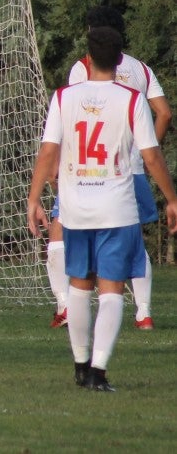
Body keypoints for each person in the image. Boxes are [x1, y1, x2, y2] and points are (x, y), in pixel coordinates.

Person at [27, 26, 177, 391]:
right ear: (120, 58)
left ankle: (80, 365)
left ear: (88, 58)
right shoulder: (131, 99)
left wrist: (33, 199)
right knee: (111, 288)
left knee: (79, 284)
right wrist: (172, 198)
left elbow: (48, 151)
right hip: (116, 207)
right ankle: (98, 371)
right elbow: (151, 155)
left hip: (76, 205)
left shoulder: (64, 97)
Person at [44, 5, 171, 330]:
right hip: (132, 170)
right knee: (133, 240)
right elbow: (165, 113)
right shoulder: (141, 69)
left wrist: (56, 165)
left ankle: (67, 305)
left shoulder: (83, 67)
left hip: (88, 170)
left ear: (91, 34)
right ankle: (143, 312)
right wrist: (143, 151)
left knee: (61, 229)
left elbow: (74, 115)